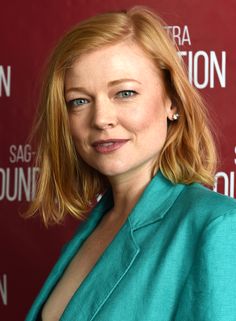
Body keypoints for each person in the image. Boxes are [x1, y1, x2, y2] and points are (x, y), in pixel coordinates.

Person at [25, 6, 236, 321]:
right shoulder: (95, 227)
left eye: (124, 93)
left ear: (172, 102)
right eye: (79, 101)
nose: (101, 119)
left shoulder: (218, 226)